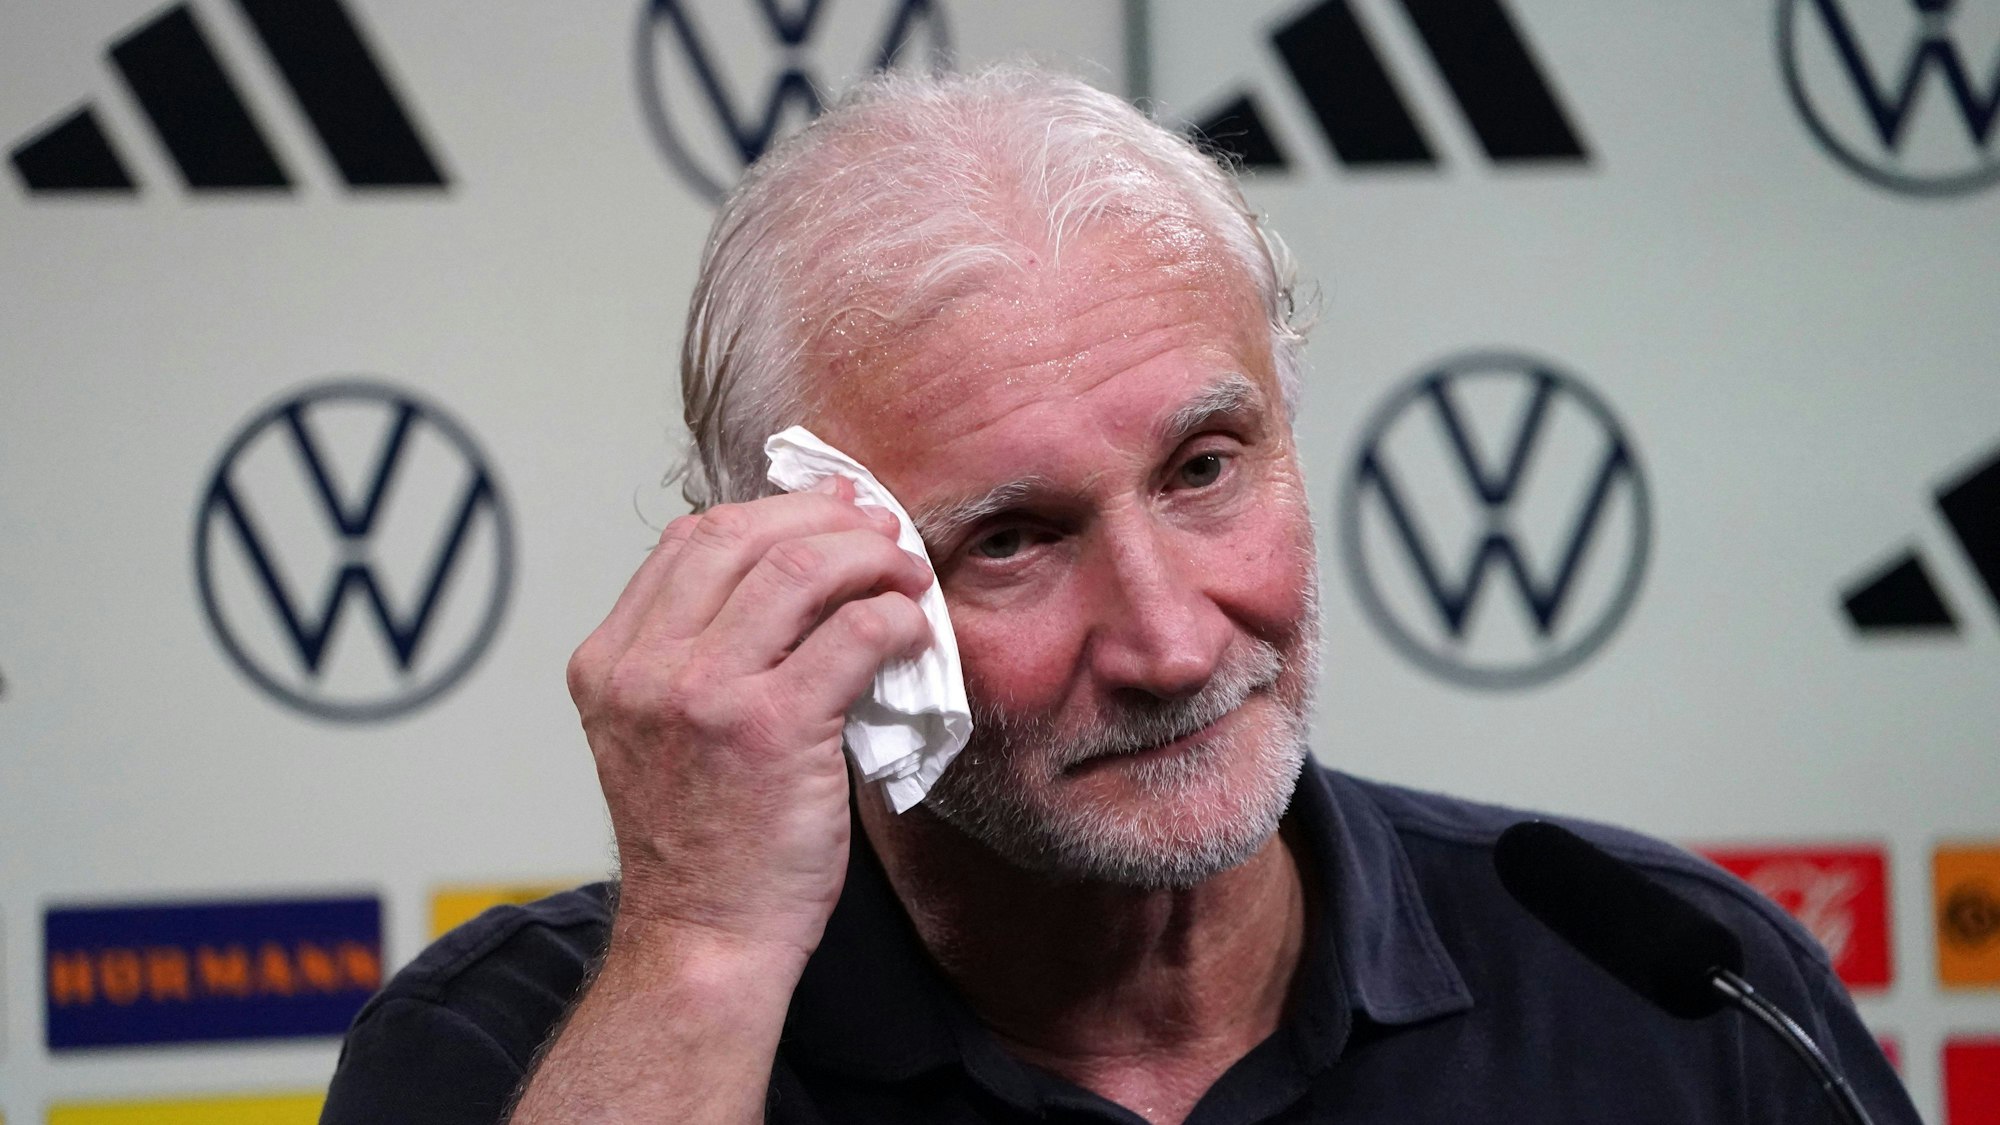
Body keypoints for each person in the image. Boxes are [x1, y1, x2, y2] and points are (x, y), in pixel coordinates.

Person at [321, 68, 1918, 1125]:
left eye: (1206, 468)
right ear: (797, 573)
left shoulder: (1676, 992)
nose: (1169, 641)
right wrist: (705, 957)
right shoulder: (511, 1052)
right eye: (1010, 536)